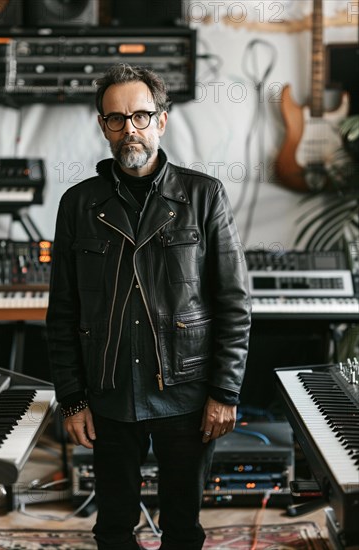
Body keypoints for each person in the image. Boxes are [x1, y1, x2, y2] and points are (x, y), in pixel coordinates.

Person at [46, 63, 251, 550]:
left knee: (184, 527)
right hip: (109, 394)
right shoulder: (78, 204)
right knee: (112, 529)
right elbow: (63, 313)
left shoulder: (204, 195)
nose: (129, 129)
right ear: (103, 126)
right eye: (116, 119)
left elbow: (233, 302)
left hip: (187, 393)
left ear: (161, 119)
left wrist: (225, 392)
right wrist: (73, 399)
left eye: (140, 116)